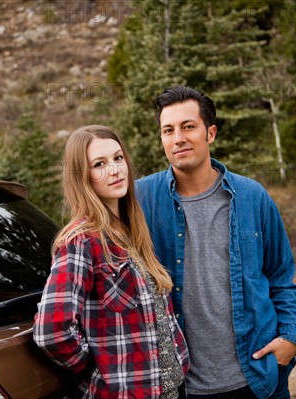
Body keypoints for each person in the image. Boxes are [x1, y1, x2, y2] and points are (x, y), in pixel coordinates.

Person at [135, 86, 296, 399]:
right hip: (182, 386)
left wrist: (290, 340)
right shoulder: (140, 199)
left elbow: (281, 278)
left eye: (188, 127)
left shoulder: (252, 197)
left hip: (256, 379)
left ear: (210, 133)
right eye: (168, 130)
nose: (178, 138)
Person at [34, 125, 189, 399]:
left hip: (170, 391)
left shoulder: (131, 231)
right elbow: (51, 330)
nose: (115, 170)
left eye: (118, 158)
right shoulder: (82, 241)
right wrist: (99, 370)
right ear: (83, 176)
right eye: (99, 164)